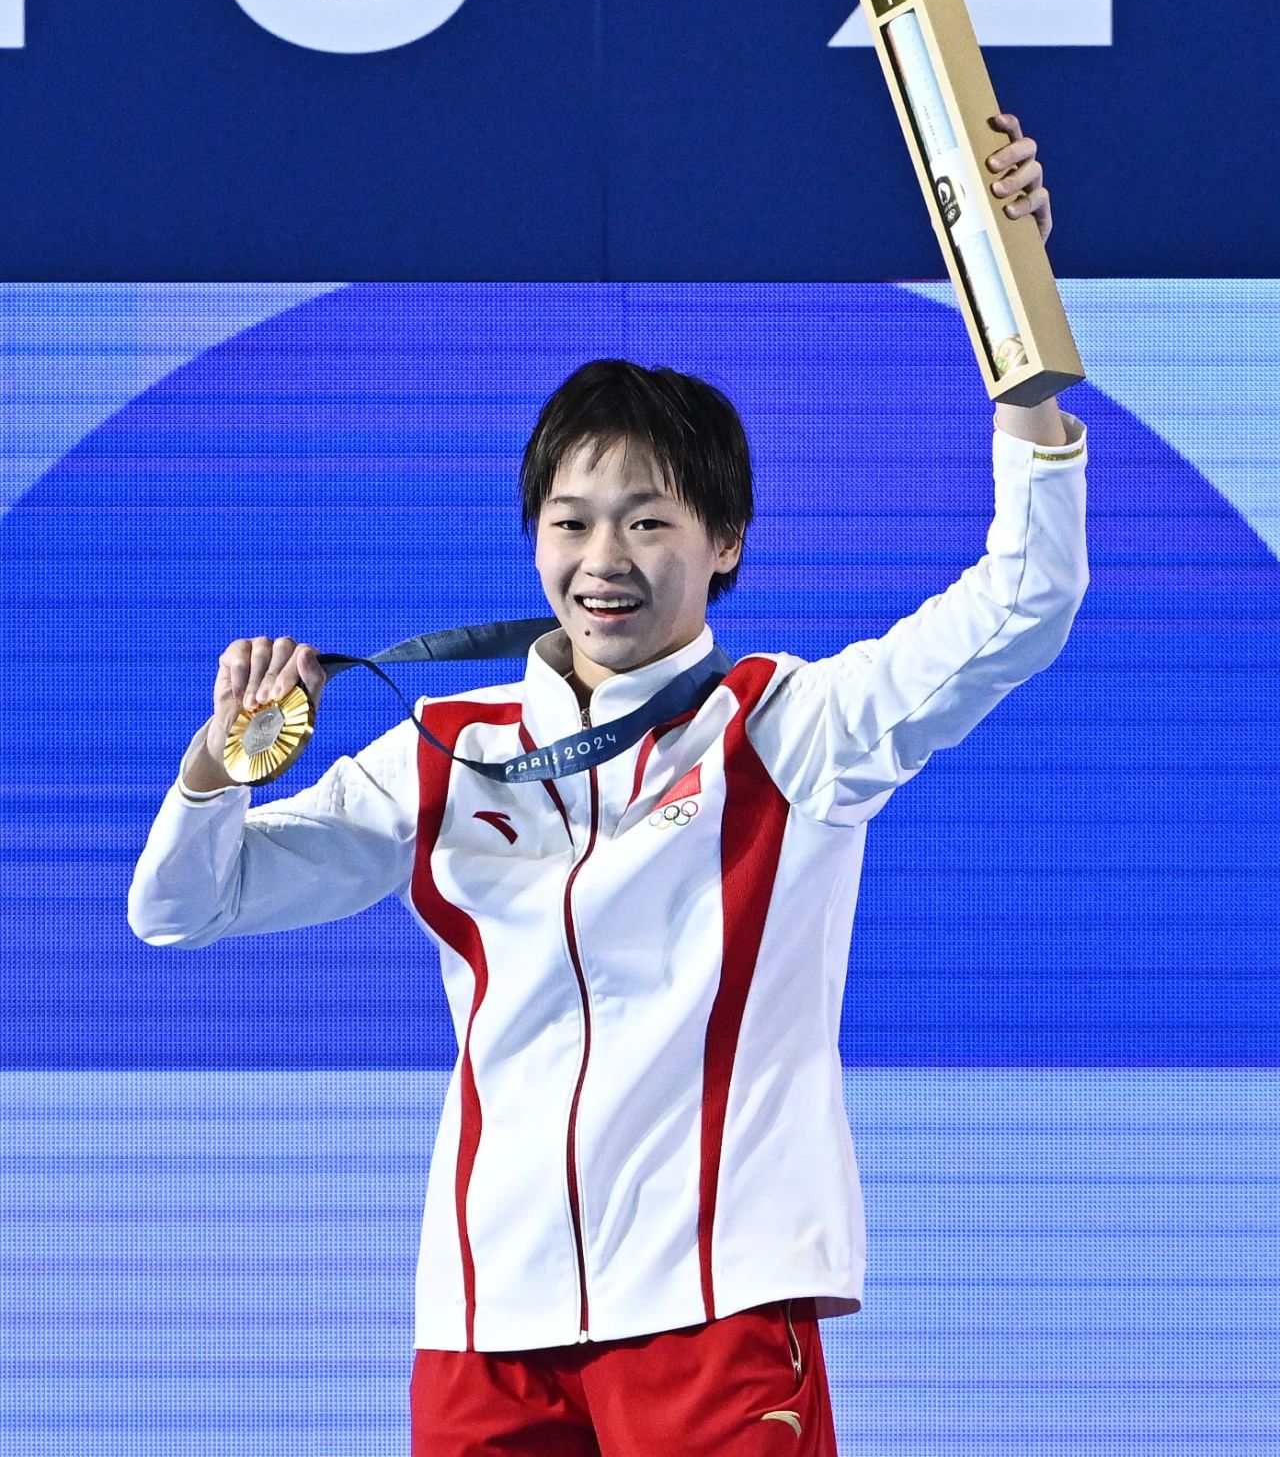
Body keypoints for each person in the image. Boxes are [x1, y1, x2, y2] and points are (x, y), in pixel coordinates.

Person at [129, 114, 1086, 1456]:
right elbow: (183, 908)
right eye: (572, 522)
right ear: (534, 537)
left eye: (650, 522)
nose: (605, 559)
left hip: (716, 1302)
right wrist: (217, 769)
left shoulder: (792, 729)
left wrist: (1021, 344)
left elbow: (1025, 601)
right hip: (486, 1323)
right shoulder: (442, 750)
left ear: (725, 541)